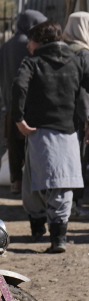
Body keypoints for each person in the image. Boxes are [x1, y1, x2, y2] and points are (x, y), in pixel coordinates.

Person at [13, 20, 89, 253]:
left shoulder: (32, 62)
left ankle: (39, 229)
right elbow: (84, 93)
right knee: (63, 184)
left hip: (39, 132)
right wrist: (87, 120)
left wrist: (19, 118)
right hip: (67, 132)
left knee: (34, 182)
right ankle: (59, 237)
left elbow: (19, 86)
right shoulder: (76, 61)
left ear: (41, 42)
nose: (28, 46)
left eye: (31, 41)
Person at [0, 10, 47, 195]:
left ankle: (16, 182)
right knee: (30, 144)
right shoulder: (32, 46)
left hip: (10, 105)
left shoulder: (5, 46)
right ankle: (32, 183)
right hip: (30, 106)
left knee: (14, 144)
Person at [63, 11, 89, 218]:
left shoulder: (61, 50)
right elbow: (84, 91)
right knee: (79, 160)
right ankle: (74, 203)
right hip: (80, 116)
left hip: (61, 114)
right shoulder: (84, 54)